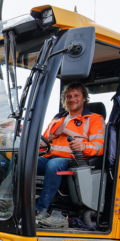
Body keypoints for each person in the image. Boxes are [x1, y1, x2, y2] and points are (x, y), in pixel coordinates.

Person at [36, 82, 105, 227]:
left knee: (53, 165)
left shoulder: (93, 119)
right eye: (68, 96)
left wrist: (83, 146)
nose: (72, 99)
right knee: (22, 161)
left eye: (76, 96)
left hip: (72, 160)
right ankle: (9, 202)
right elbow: (42, 143)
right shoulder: (57, 120)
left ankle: (41, 209)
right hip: (50, 156)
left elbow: (100, 147)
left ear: (84, 98)